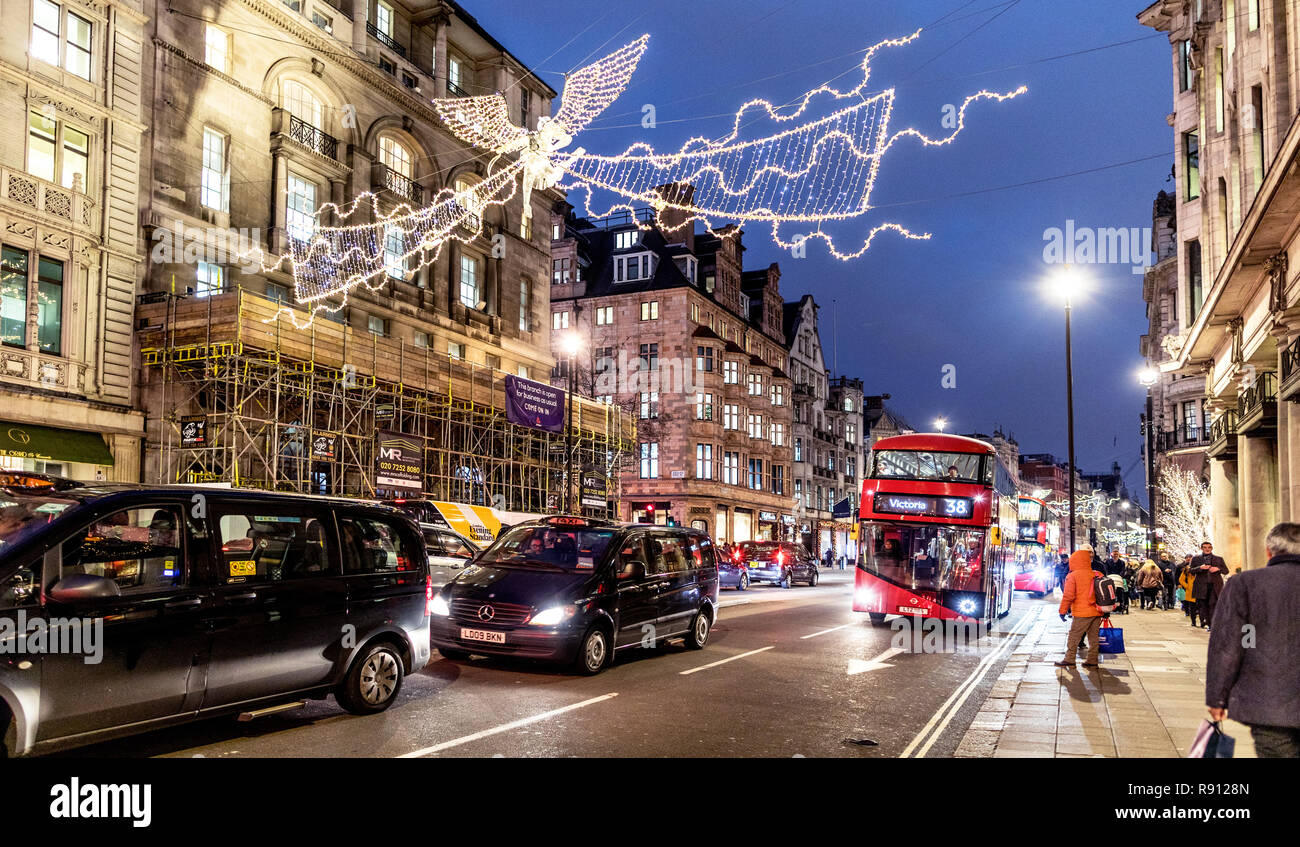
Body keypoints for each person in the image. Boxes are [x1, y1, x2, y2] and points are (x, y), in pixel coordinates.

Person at [1206, 523, 1300, 757]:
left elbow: (1228, 645)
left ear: (1269, 551)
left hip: (1270, 704)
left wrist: (1217, 697)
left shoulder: (1245, 584)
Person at [1055, 546, 1106, 668]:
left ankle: (1069, 659)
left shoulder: (1073, 576)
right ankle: (1092, 661)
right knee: (1093, 638)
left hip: (1082, 612)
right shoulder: (1096, 574)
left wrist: (1062, 611)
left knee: (1074, 636)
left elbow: (1068, 596)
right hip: (1097, 611)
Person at [1190, 540, 1226, 630]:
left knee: (1213, 604)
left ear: (1212, 548)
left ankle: (1212, 624)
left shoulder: (1219, 559)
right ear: (1201, 548)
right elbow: (1191, 571)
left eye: (1209, 547)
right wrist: (1200, 568)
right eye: (1205, 547)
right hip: (1201, 586)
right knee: (1203, 605)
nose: (1207, 549)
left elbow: (1226, 570)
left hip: (1215, 586)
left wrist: (1218, 569)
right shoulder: (1196, 559)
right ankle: (1208, 622)